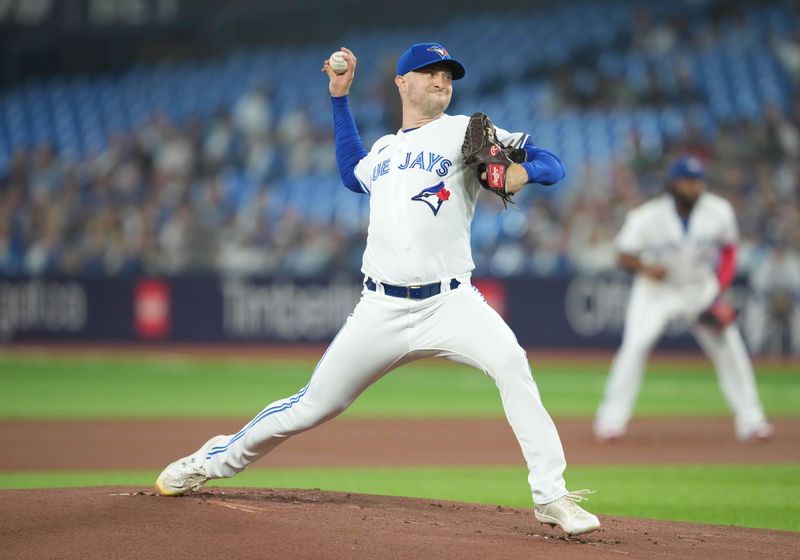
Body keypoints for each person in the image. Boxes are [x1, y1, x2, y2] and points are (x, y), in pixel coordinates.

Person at [156, 42, 600, 536]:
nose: (441, 81)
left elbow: (553, 165)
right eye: (430, 72)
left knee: (512, 363)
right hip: (380, 308)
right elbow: (351, 172)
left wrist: (523, 170)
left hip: (451, 301)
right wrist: (339, 98)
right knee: (311, 406)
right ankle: (209, 462)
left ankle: (552, 495)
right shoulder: (386, 150)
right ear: (401, 82)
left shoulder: (467, 130)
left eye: (448, 75)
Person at [594, 156, 773, 442]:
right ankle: (611, 419)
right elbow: (623, 254)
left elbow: (729, 249)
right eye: (688, 182)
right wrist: (646, 268)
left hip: (699, 288)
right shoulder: (647, 216)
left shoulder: (718, 211)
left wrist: (719, 292)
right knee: (636, 346)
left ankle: (751, 419)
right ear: (673, 184)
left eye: (698, 181)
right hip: (657, 292)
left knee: (730, 348)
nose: (694, 187)